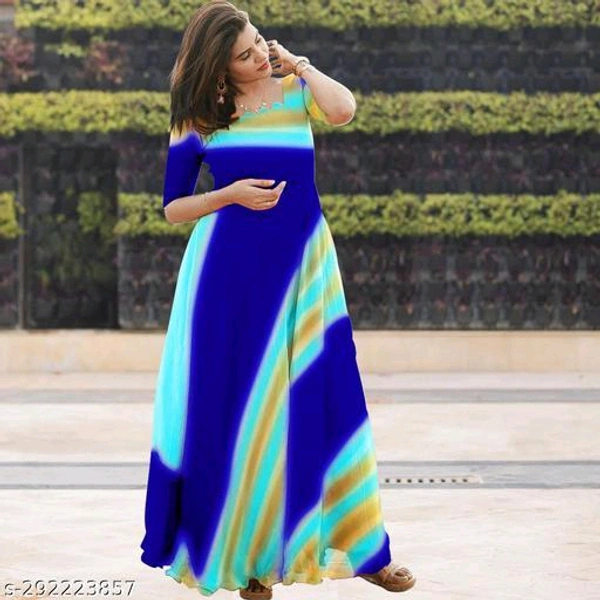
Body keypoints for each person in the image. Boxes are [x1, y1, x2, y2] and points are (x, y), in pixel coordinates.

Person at [139, 1, 416, 598]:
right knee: (238, 410)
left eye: (258, 41)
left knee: (328, 392)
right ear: (220, 67)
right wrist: (229, 194)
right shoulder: (198, 119)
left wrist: (302, 64)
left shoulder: (296, 90)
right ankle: (249, 563)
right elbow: (173, 207)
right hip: (227, 278)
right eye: (244, 55)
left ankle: (363, 550)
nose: (258, 55)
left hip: (304, 267)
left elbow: (343, 110)